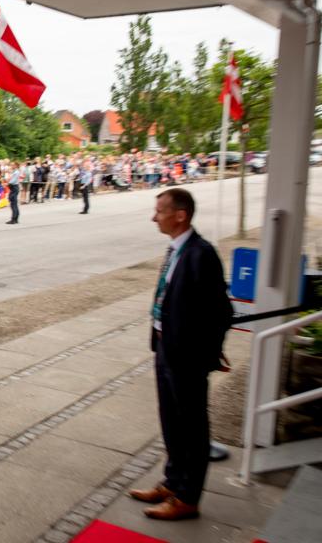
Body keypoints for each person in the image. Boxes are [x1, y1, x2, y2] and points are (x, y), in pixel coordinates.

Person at [128, 188, 232, 520]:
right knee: (171, 421)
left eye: (159, 211)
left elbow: (221, 311)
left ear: (180, 215)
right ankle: (172, 482)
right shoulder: (176, 250)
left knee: (192, 426)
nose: (153, 216)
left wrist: (210, 352)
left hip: (187, 357)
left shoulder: (201, 254)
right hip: (166, 349)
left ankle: (188, 497)